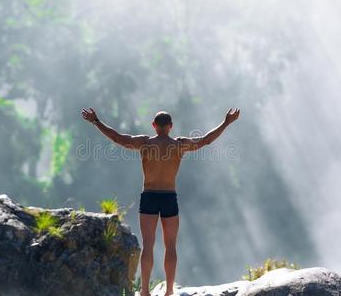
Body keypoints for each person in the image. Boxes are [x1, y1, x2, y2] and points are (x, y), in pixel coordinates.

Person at [81, 107, 241, 296]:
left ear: (154, 126)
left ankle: (145, 291)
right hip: (168, 197)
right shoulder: (179, 144)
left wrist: (96, 121)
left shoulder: (145, 143)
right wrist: (226, 122)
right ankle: (170, 290)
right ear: (171, 127)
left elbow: (118, 138)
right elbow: (205, 140)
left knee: (148, 244)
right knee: (170, 245)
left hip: (149, 195)